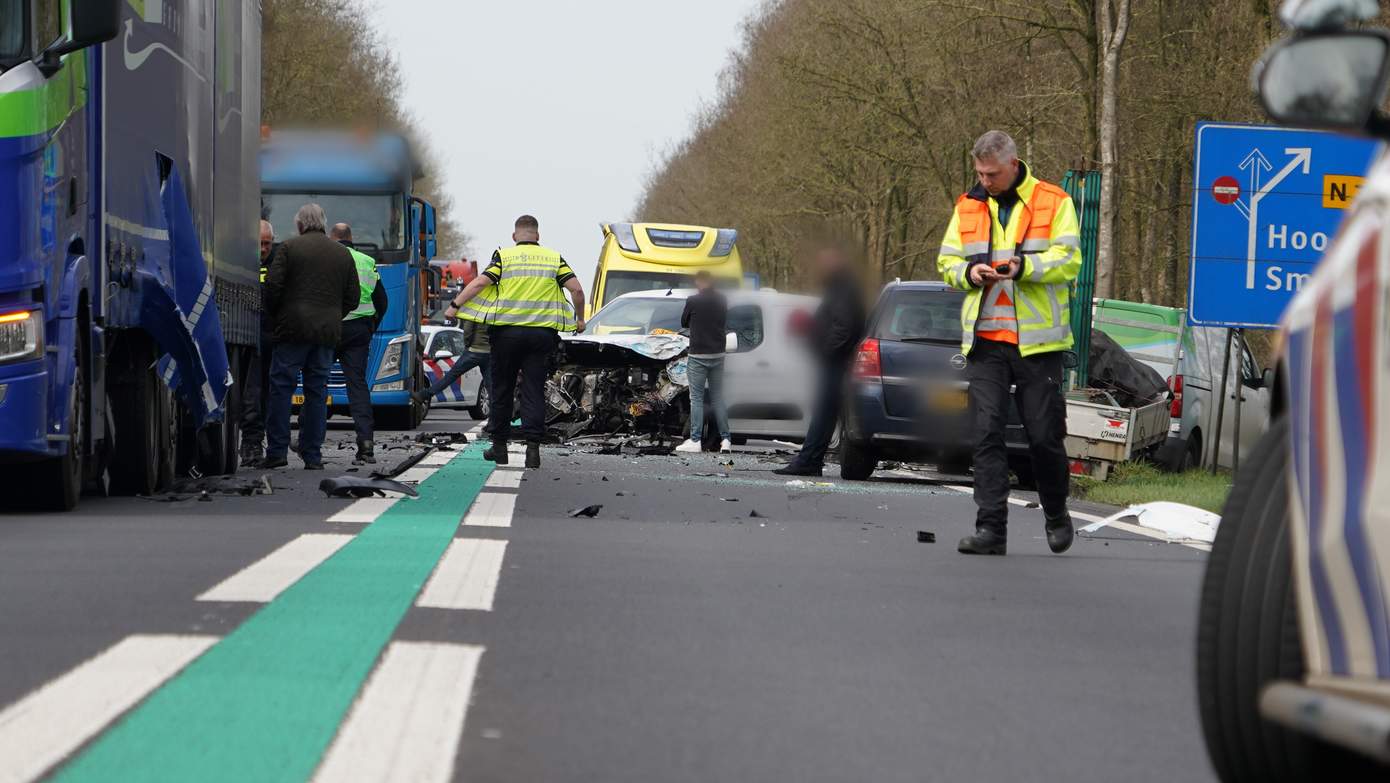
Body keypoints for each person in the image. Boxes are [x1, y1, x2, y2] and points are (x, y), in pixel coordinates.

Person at [937, 130, 1081, 556]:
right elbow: (946, 260)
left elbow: (1070, 259)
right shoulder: (967, 205)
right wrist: (969, 274)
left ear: (1014, 164)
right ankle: (991, 530)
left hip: (1038, 345)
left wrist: (1025, 268)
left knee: (1043, 437)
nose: (985, 180)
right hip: (985, 343)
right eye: (980, 172)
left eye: (992, 173)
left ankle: (1056, 512)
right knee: (985, 434)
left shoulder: (1055, 201)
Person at [447, 214, 585, 469]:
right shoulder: (554, 258)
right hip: (541, 336)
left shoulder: (504, 256)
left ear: (514, 236)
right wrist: (580, 319)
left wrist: (455, 305)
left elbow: (479, 283)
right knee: (534, 389)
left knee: (502, 389)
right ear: (538, 236)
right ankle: (533, 450)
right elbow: (576, 289)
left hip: (506, 335)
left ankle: (499, 447)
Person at [261, 204, 358, 470]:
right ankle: (312, 455)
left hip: (291, 330)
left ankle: (278, 452)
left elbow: (273, 286)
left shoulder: (289, 249)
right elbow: (353, 297)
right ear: (323, 224)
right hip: (326, 334)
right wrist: (333, 315)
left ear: (300, 225)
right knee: (317, 392)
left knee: (281, 389)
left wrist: (277, 315)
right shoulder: (342, 254)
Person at [774, 244, 865, 477]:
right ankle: (810, 460)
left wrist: (826, 352)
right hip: (837, 360)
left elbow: (843, 328)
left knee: (824, 413)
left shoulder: (844, 289)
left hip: (836, 362)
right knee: (826, 414)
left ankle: (809, 461)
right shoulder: (841, 287)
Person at [330, 222, 389, 465]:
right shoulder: (367, 261)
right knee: (357, 385)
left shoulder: (328, 257)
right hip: (358, 331)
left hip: (329, 328)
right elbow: (382, 301)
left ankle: (307, 441)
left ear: (332, 238)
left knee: (316, 381)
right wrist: (371, 325)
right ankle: (366, 446)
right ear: (351, 238)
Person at [675, 270, 731, 454]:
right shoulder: (723, 299)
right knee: (717, 398)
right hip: (718, 355)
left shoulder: (693, 300)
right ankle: (726, 440)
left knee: (696, 399)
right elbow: (723, 321)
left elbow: (683, 321)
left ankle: (695, 440)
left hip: (698, 355)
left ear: (700, 281)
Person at [412, 301, 493, 414]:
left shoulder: (476, 310)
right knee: (491, 386)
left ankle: (425, 394)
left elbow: (468, 332)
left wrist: (468, 345)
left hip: (473, 351)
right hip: (489, 353)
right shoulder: (495, 311)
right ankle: (494, 421)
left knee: (451, 376)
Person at [239, 219, 276, 465]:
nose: (263, 249)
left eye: (267, 244)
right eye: (259, 243)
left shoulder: (279, 264)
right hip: (245, 337)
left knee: (267, 393)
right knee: (250, 392)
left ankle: (261, 442)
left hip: (271, 339)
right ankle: (251, 441)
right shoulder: (240, 263)